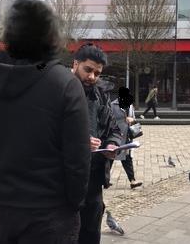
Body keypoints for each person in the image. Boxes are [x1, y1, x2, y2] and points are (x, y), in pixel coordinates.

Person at [0, 0, 91, 243]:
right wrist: (74, 203)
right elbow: (78, 159)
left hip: (1, 213)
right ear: (49, 37)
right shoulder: (64, 83)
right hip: (51, 215)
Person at [71, 43, 122, 244]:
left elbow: (114, 130)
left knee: (90, 235)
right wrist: (79, 142)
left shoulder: (100, 94)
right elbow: (42, 135)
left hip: (93, 183)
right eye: (88, 70)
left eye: (97, 73)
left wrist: (112, 145)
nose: (92, 76)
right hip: (63, 184)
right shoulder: (57, 91)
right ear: (75, 64)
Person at [111, 87, 143, 189]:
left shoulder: (130, 105)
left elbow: (134, 118)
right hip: (116, 135)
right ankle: (104, 179)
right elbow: (109, 119)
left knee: (127, 158)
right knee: (110, 158)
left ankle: (132, 180)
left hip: (127, 136)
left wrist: (132, 120)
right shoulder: (113, 105)